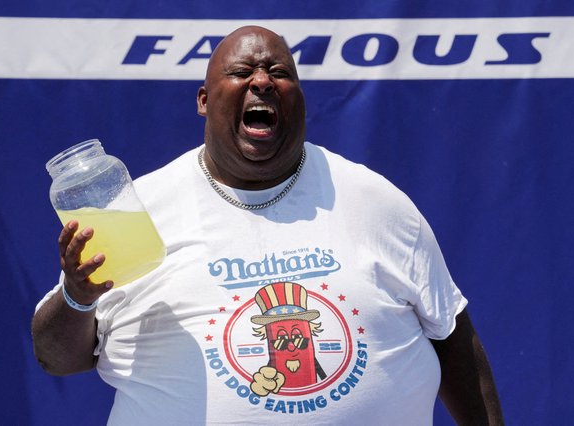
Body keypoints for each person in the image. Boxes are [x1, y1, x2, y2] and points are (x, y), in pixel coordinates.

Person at [32, 25, 503, 425]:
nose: (262, 81)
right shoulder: (140, 210)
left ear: (299, 98)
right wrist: (78, 294)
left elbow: (454, 339)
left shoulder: (375, 201)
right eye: (241, 73)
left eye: (280, 72)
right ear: (203, 100)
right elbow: (57, 358)